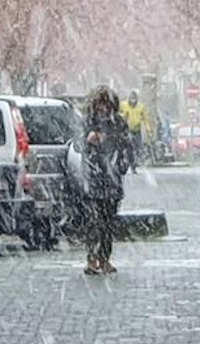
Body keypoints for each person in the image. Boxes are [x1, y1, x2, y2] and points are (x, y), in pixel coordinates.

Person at [82, 86, 128, 275]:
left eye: (106, 105)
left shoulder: (118, 123)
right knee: (94, 221)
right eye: (99, 105)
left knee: (108, 222)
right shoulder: (87, 122)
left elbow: (126, 146)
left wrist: (120, 164)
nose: (102, 109)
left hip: (112, 179)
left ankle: (104, 258)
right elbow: (77, 144)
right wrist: (88, 140)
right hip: (93, 178)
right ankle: (92, 258)